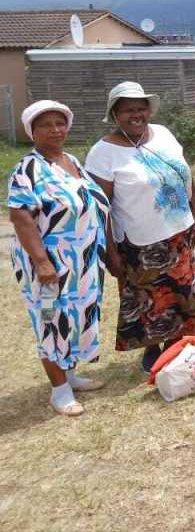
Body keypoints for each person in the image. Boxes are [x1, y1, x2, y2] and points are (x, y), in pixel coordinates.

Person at [85, 82, 195, 372]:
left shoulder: (163, 134)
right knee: (149, 301)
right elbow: (100, 208)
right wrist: (110, 253)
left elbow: (184, 172)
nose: (136, 114)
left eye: (141, 108)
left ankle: (175, 345)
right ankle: (152, 348)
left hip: (178, 233)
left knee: (181, 293)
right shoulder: (103, 153)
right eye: (128, 110)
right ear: (115, 114)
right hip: (138, 243)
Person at [9, 101, 112, 416]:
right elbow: (21, 217)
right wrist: (42, 262)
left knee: (76, 318)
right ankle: (59, 391)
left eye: (60, 123)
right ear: (32, 131)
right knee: (51, 322)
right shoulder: (28, 169)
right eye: (46, 125)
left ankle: (70, 374)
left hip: (81, 262)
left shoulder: (71, 161)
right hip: (49, 264)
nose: (55, 130)